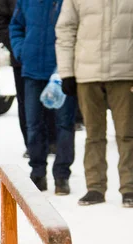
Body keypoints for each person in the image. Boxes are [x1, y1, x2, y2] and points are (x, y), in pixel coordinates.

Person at [56, 0, 133, 207]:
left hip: (124, 73)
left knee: (128, 134)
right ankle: (95, 187)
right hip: (87, 74)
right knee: (94, 135)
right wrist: (67, 73)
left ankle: (130, 187)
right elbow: (65, 30)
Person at [10, 0, 76, 195]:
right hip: (32, 70)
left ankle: (62, 176)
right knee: (33, 124)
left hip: (61, 71)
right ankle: (37, 172)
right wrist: (21, 50)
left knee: (64, 124)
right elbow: (16, 26)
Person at [0, 0, 56, 159]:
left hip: (55, 57)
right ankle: (32, 145)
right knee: (27, 103)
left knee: (55, 100)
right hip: (24, 58)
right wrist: (19, 48)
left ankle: (54, 140)